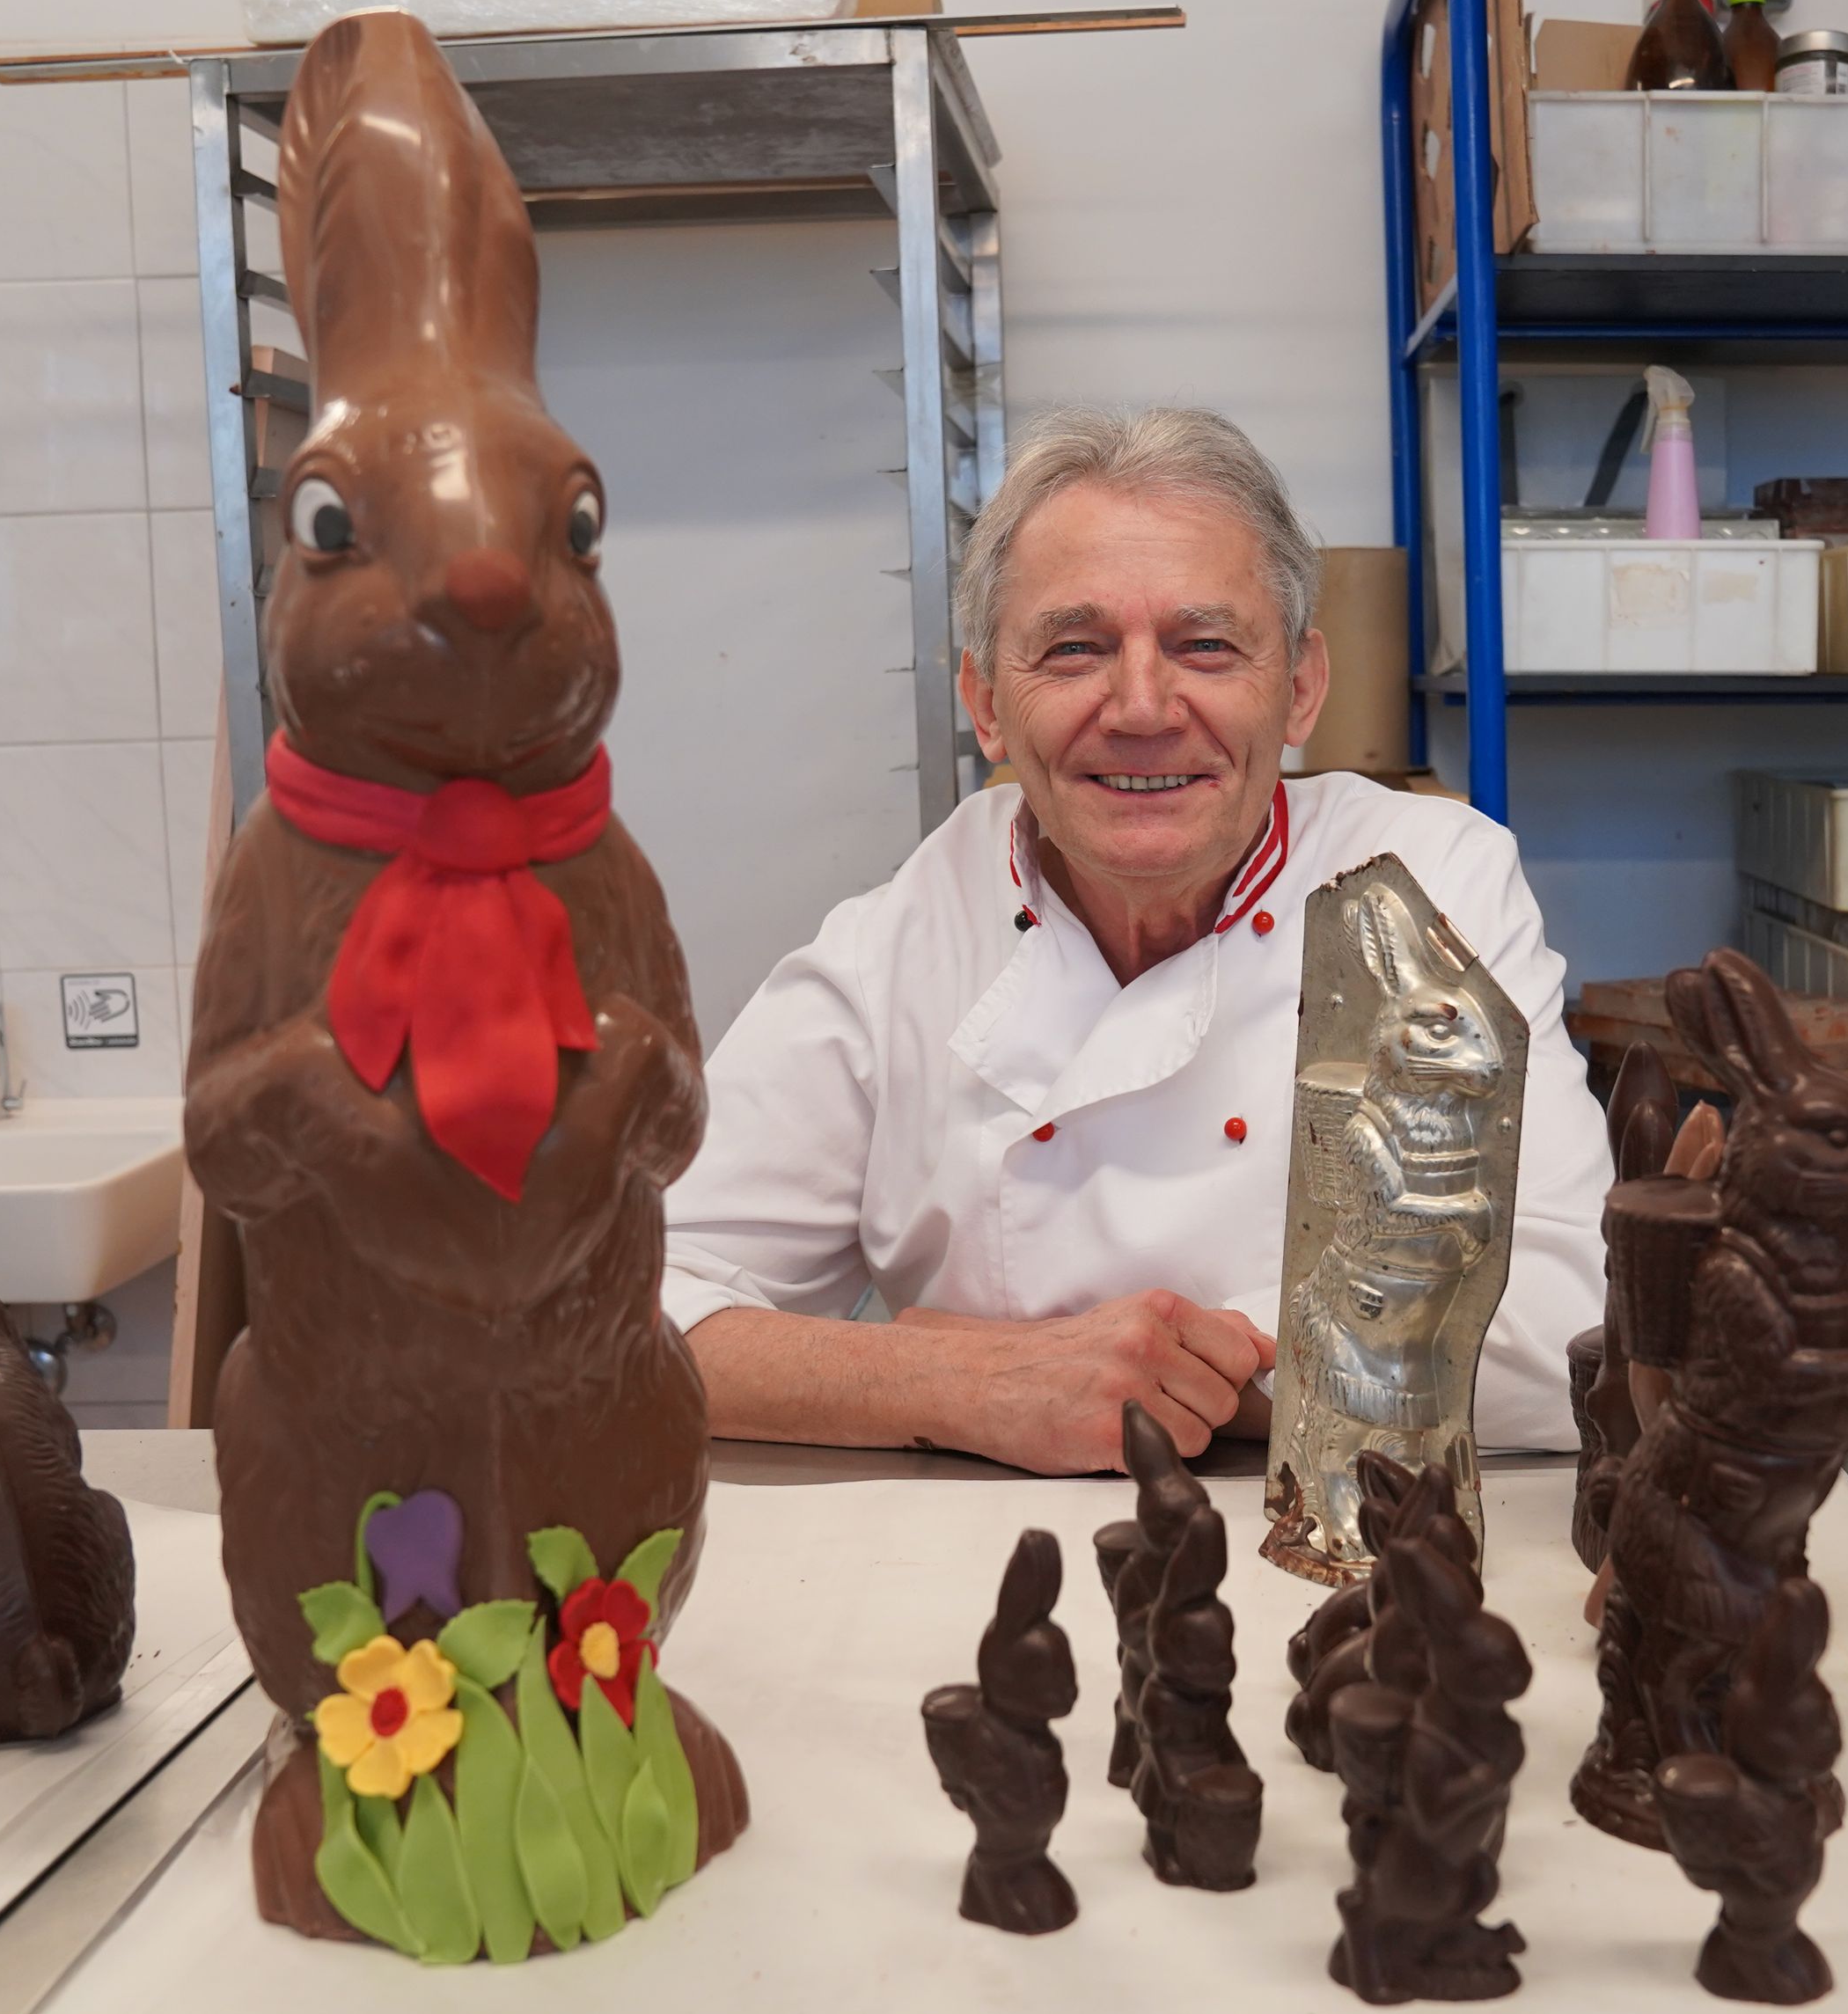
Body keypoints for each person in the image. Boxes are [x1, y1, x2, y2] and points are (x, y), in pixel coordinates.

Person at [662, 406, 1611, 1475]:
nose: (1144, 705)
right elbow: (626, 1313)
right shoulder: (910, 932)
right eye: (1075, 649)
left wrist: (1131, 1375)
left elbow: (1568, 1325)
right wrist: (960, 1383)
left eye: (1206, 645)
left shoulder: (1423, 886)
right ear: (984, 701)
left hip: (1343, 1557)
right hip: (967, 1554)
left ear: (1299, 686)